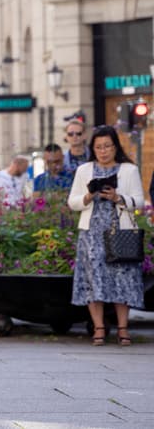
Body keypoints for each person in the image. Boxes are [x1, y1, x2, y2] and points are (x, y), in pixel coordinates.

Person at [67, 125, 144, 347]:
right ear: (93, 148)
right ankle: (99, 327)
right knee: (94, 281)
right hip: (91, 234)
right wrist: (89, 196)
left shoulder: (129, 170)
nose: (103, 151)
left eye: (107, 146)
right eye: (99, 147)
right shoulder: (84, 170)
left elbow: (139, 201)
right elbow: (72, 202)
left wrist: (118, 198)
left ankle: (123, 328)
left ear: (115, 146)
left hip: (120, 233)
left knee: (123, 279)